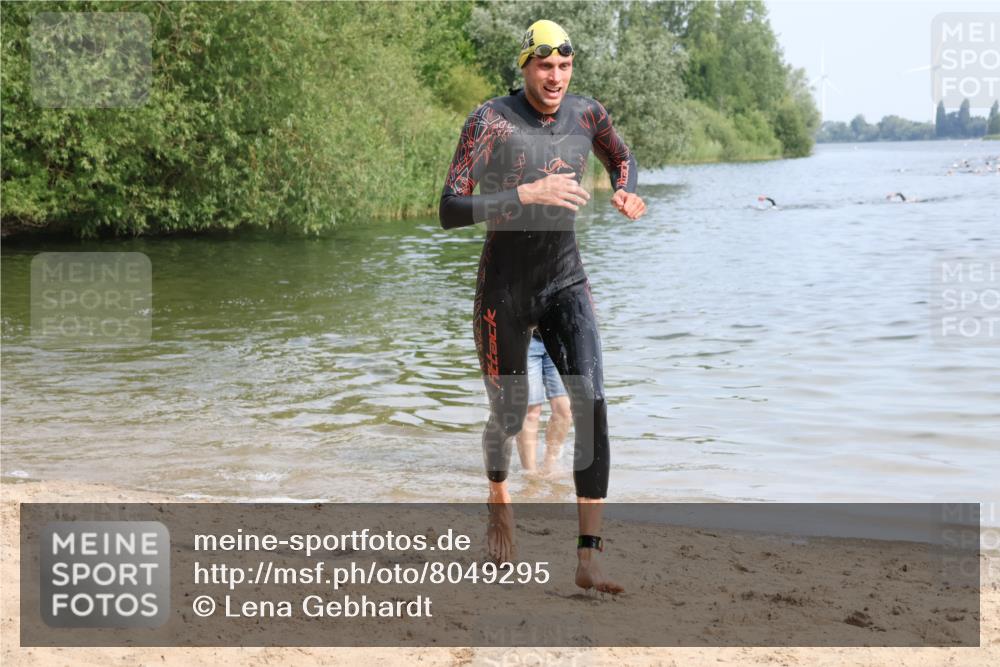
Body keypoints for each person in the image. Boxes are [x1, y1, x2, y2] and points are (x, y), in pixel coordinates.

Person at [439, 19, 646, 593]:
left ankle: (588, 557)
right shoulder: (490, 120)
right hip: (504, 290)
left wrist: (625, 189)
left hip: (565, 282)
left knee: (593, 406)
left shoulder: (589, 115)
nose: (555, 77)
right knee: (509, 415)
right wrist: (524, 194)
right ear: (525, 67)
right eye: (544, 66)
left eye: (564, 66)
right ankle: (499, 493)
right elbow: (450, 207)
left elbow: (622, 158)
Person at [516, 330, 571, 477]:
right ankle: (530, 473)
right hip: (525, 339)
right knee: (530, 411)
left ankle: (549, 465)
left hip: (559, 340)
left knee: (564, 411)